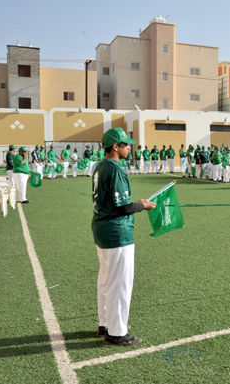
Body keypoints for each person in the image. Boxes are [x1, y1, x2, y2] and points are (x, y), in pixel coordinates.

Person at [92, 128, 156, 347]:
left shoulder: (101, 166)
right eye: (126, 144)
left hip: (102, 229)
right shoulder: (115, 169)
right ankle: (116, 332)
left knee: (106, 280)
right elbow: (123, 207)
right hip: (117, 232)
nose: (130, 147)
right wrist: (143, 205)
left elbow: (119, 203)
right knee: (119, 283)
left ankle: (105, 324)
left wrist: (136, 204)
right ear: (115, 147)